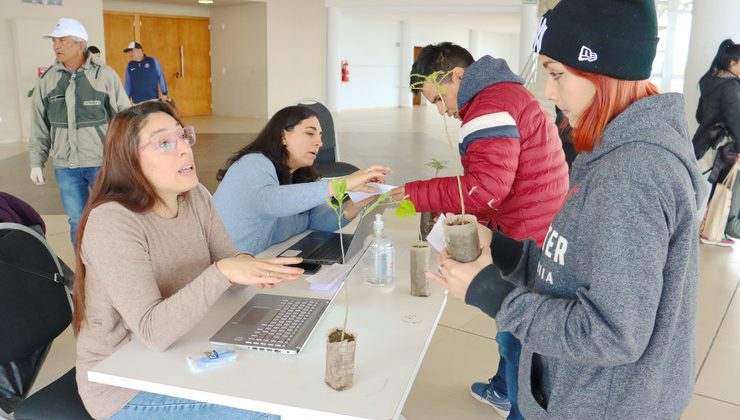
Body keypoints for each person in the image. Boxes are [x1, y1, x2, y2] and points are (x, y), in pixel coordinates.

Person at [428, 0, 704, 418]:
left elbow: (612, 335)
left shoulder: (631, 174)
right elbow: (577, 271)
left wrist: (495, 296)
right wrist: (507, 252)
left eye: (557, 73)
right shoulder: (612, 152)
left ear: (605, 70)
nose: (549, 93)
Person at [73, 101, 303, 419]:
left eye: (183, 136)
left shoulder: (195, 196)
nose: (184, 149)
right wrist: (224, 271)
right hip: (125, 383)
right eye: (165, 143)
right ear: (130, 159)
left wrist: (250, 268)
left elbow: (229, 271)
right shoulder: (113, 221)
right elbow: (152, 332)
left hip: (187, 348)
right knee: (275, 412)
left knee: (293, 380)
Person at [391, 42, 569, 419]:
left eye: (439, 99)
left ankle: (519, 406)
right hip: (537, 223)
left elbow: (483, 189)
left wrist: (412, 194)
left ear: (459, 76)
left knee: (515, 327)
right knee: (515, 323)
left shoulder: (488, 106)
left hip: (524, 234)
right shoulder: (504, 93)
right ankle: (504, 387)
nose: (444, 111)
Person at [213, 105, 391, 255]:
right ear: (283, 136)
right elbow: (272, 201)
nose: (319, 142)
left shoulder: (299, 176)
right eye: (310, 133)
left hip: (260, 264)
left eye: (320, 135)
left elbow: (315, 220)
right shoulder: (253, 163)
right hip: (226, 275)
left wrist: (354, 205)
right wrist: (343, 183)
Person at [29, 18, 130, 244]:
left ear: (80, 45)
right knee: (77, 219)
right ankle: (83, 269)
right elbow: (39, 124)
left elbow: (124, 118)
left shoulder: (104, 76)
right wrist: (36, 162)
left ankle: (113, 259)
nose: (56, 46)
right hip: (66, 166)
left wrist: (127, 157)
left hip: (101, 163)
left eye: (62, 40)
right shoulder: (47, 80)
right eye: (54, 41)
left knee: (110, 216)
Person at [692, 39, 740, 247]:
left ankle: (712, 230)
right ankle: (715, 232)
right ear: (732, 62)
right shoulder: (730, 85)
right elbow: (736, 119)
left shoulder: (708, 80)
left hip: (704, 140)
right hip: (723, 144)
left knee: (713, 184)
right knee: (724, 185)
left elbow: (700, 115)